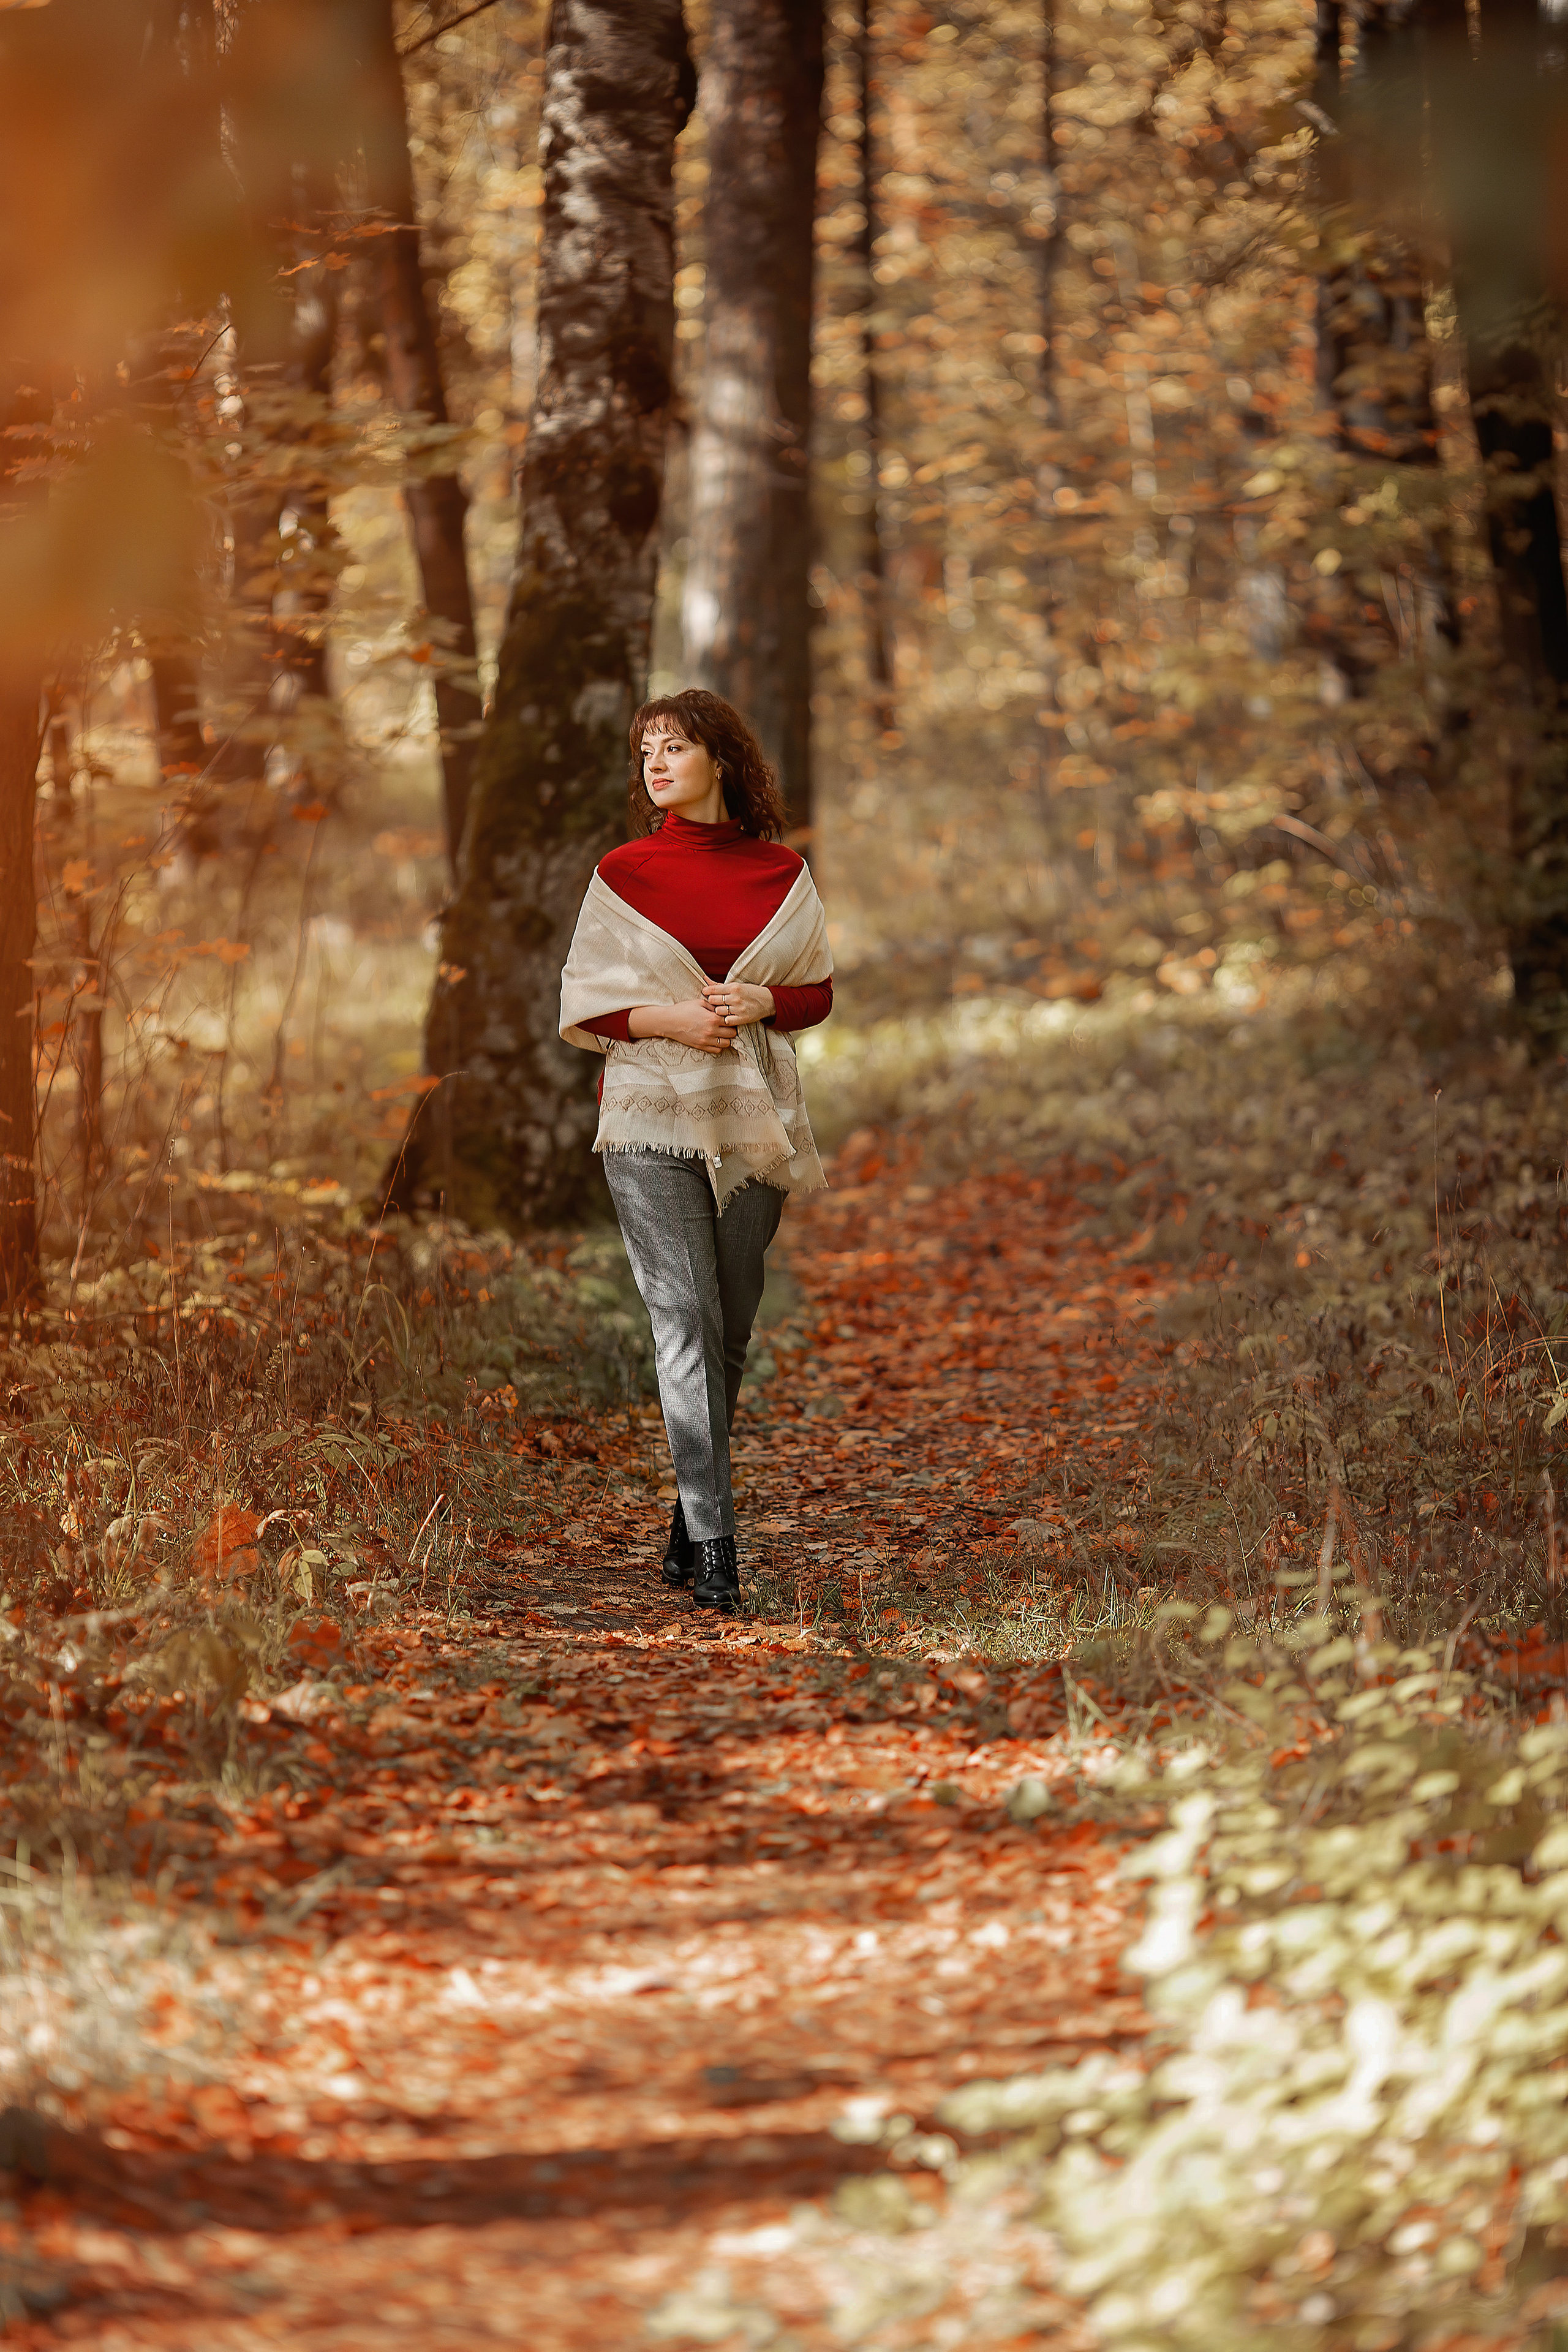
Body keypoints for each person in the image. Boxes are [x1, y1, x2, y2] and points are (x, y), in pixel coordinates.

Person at [559, 690, 834, 1615]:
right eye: (646, 752)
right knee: (684, 1314)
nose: (657, 763)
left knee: (732, 1320)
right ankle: (717, 1545)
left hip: (755, 1117)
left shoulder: (781, 873)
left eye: (674, 746)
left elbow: (817, 991)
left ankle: (690, 1508)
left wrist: (765, 1005)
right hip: (647, 1113)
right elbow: (585, 1003)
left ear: (721, 759)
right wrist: (672, 1017)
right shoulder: (622, 873)